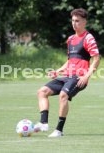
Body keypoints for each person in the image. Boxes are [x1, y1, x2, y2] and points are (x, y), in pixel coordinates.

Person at [34, 8, 100, 137]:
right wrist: (57, 71)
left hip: (79, 77)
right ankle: (43, 123)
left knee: (63, 95)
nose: (74, 23)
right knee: (42, 91)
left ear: (84, 22)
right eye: (73, 20)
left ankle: (59, 130)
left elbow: (96, 59)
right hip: (67, 76)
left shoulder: (88, 38)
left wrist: (86, 76)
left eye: (77, 21)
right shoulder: (70, 39)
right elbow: (70, 60)